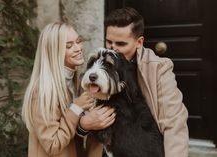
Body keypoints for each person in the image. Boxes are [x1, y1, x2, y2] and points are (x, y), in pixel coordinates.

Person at [103, 7, 189, 157]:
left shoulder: (159, 68)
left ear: (139, 42)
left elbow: (174, 124)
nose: (112, 50)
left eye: (121, 44)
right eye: (109, 42)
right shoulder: (99, 63)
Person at [21, 22, 116, 157]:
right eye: (69, 46)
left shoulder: (76, 82)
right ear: (54, 52)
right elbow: (52, 145)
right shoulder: (43, 91)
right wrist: (76, 108)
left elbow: (73, 129)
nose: (78, 48)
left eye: (78, 41)